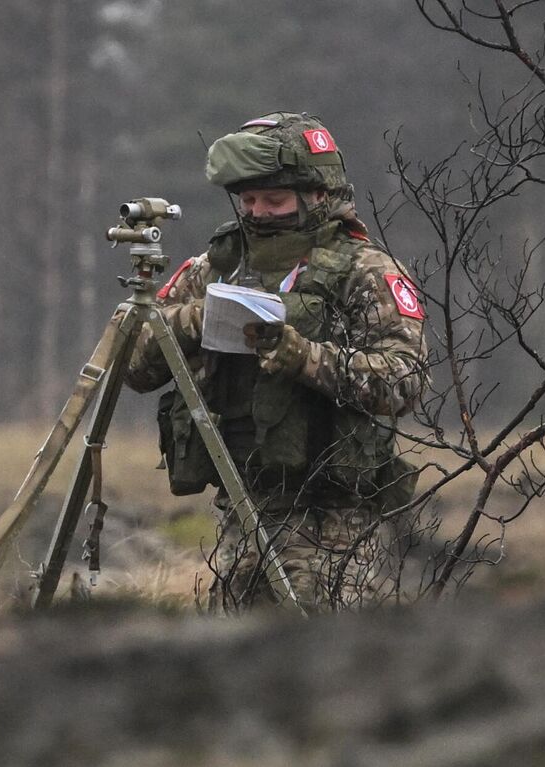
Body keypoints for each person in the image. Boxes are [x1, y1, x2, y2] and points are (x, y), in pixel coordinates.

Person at [122, 112, 429, 610]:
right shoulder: (217, 268)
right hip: (240, 508)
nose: (259, 213)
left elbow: (405, 380)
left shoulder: (364, 272)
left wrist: (303, 358)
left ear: (318, 197)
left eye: (275, 200)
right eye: (248, 200)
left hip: (332, 521)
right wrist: (192, 322)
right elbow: (134, 368)